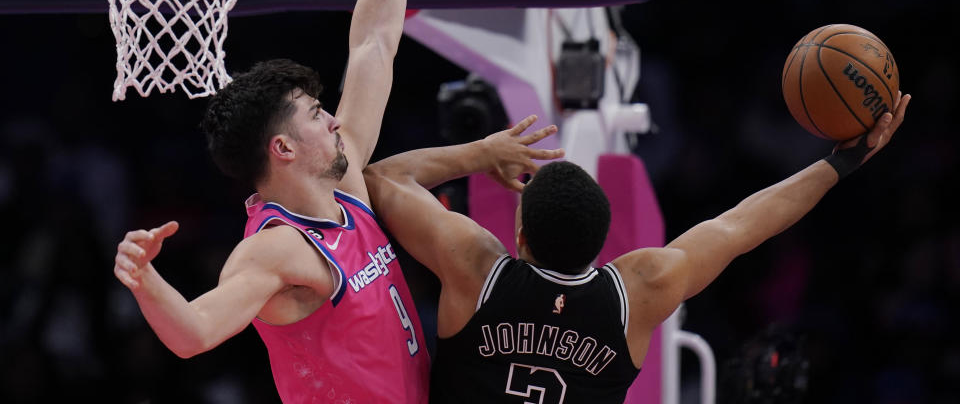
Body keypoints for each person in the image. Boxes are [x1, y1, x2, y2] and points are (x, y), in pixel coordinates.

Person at [113, 0, 433, 403]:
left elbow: (374, 42)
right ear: (282, 148)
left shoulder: (344, 186)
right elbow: (195, 332)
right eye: (317, 114)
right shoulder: (275, 250)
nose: (335, 118)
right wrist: (143, 277)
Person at [362, 94, 912, 403]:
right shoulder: (640, 290)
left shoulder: (475, 265)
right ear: (605, 246)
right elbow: (743, 225)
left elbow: (384, 177)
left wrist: (483, 153)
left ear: (519, 234)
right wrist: (841, 162)